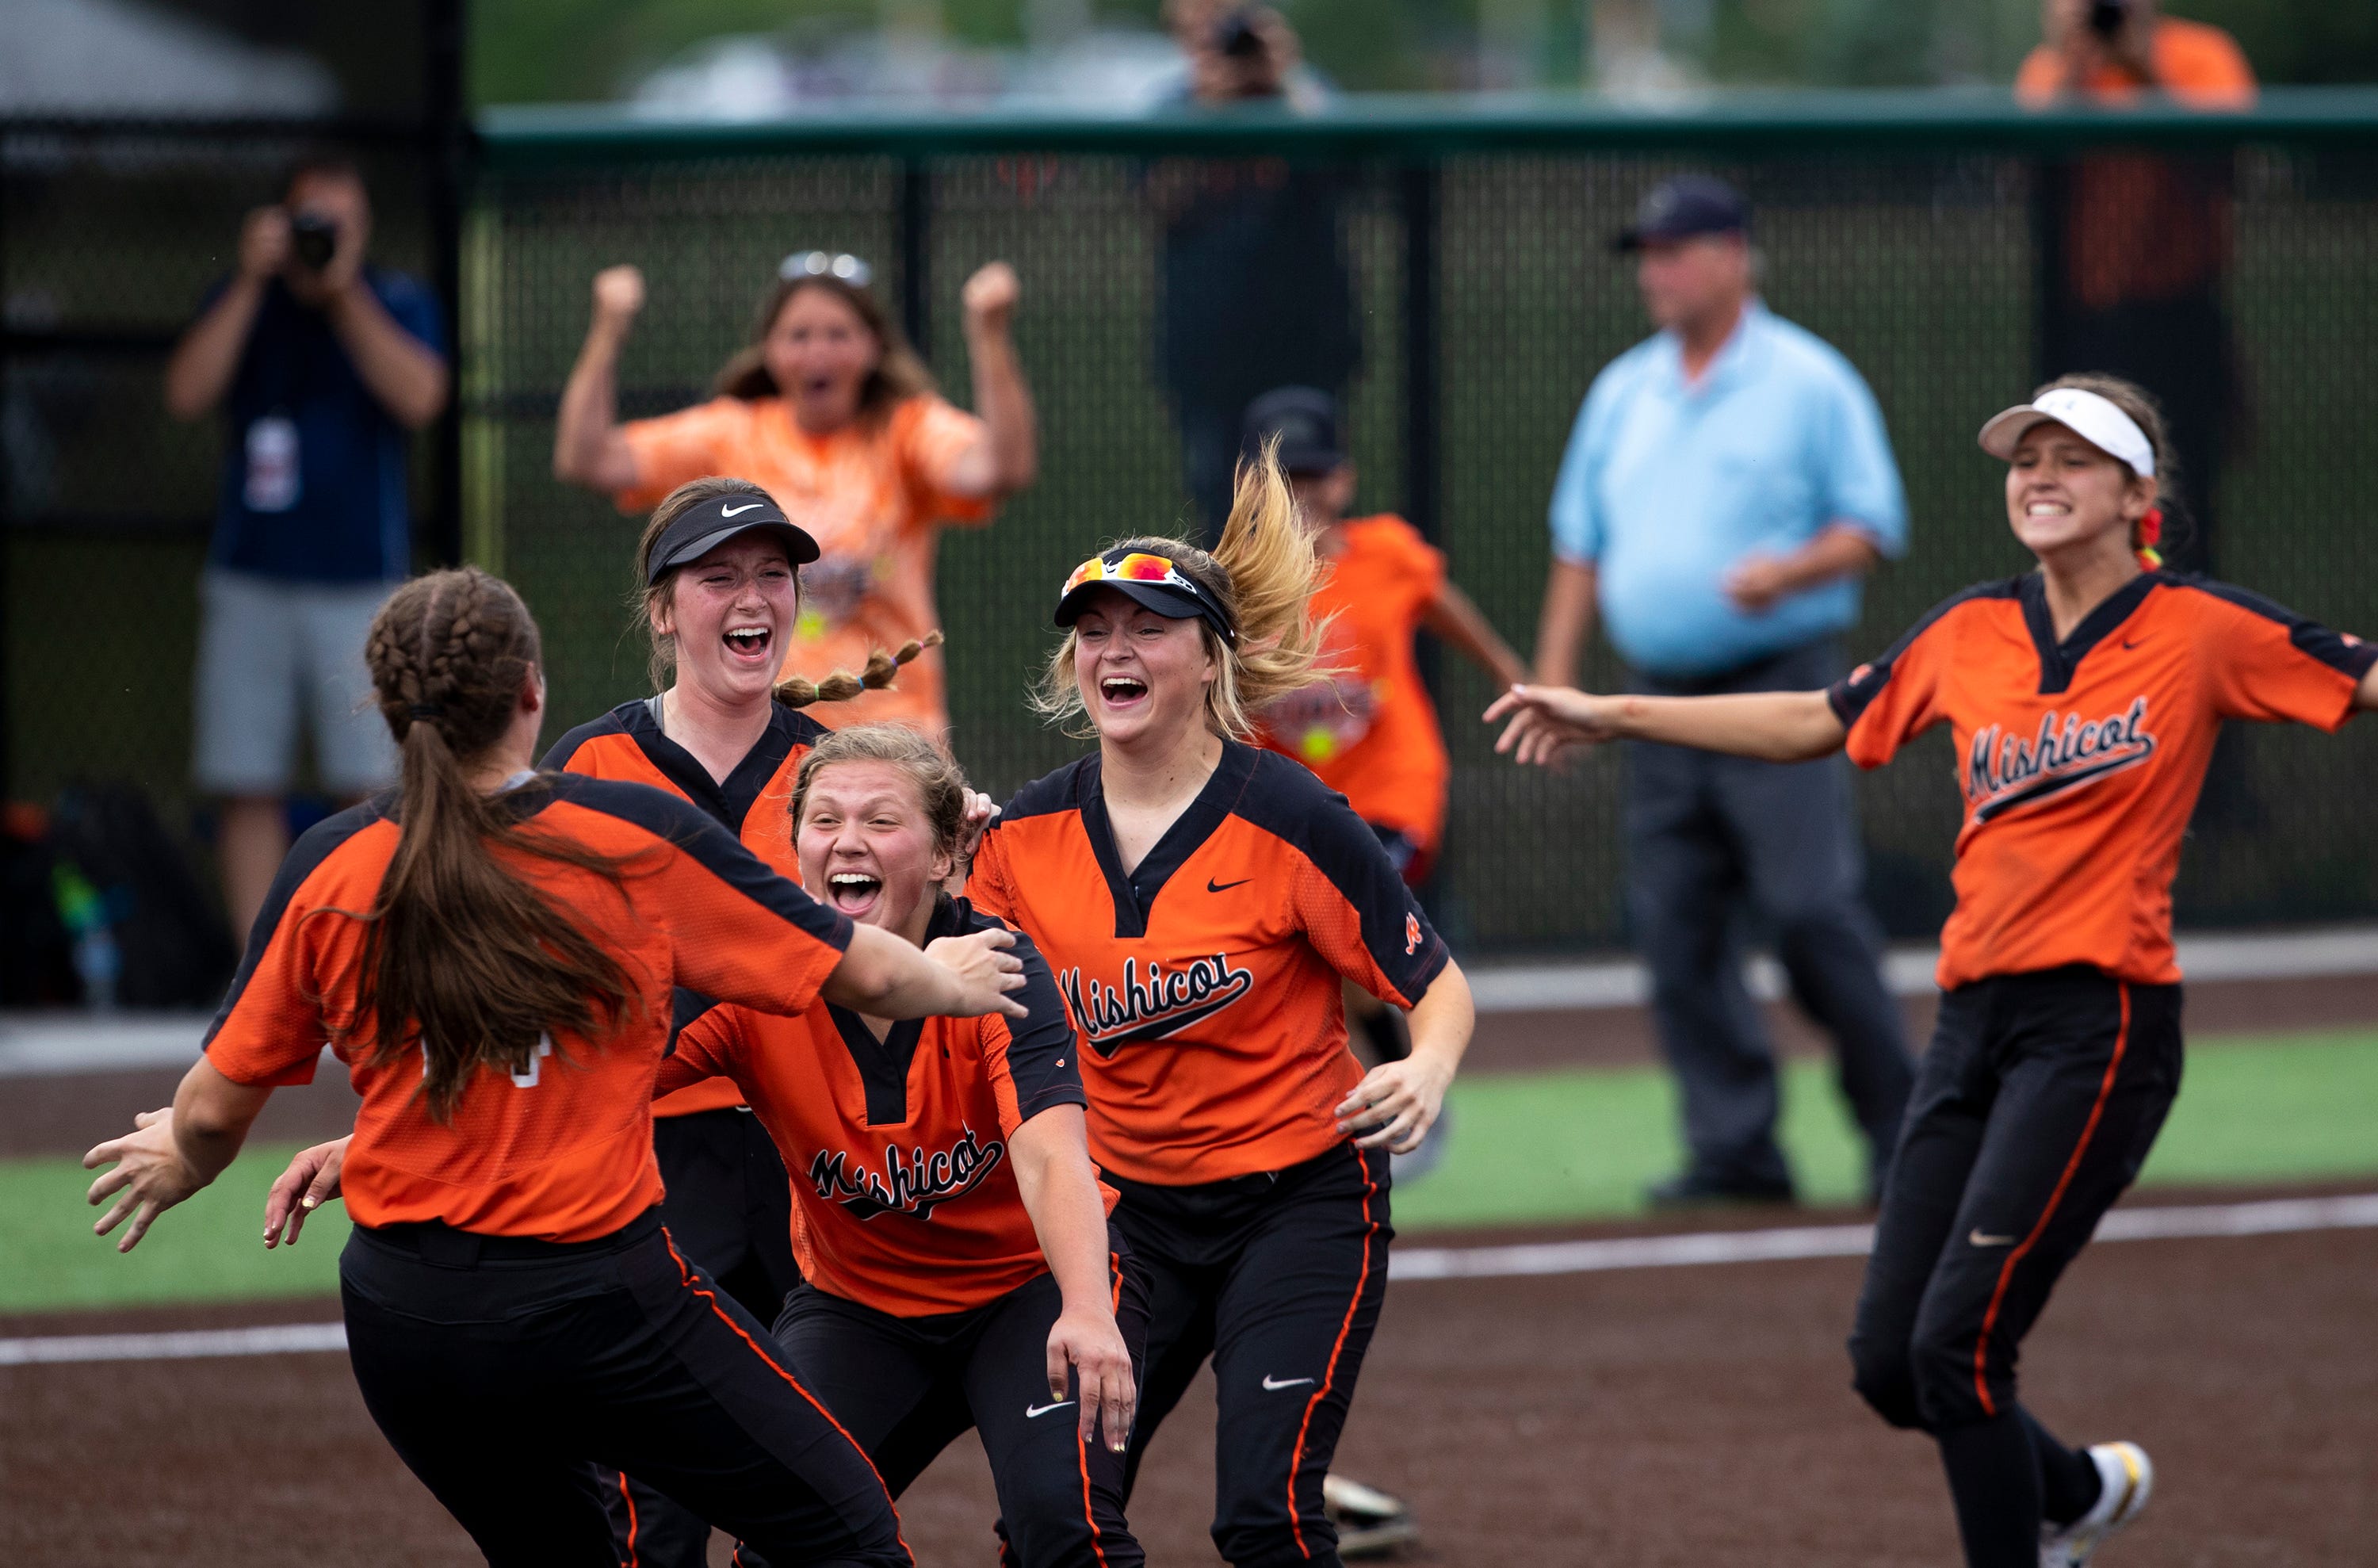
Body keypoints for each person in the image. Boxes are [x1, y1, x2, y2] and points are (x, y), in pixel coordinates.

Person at [1488, 374, 2378, 1568]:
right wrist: (1618, 712)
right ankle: (2069, 1488)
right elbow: (1818, 718)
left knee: (1958, 1350)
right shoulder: (1972, 631)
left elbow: (2360, 677)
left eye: (2075, 458)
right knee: (1891, 1362)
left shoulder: (2202, 628)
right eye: (2026, 459)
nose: (2042, 477)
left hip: (2099, 1027)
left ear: (2139, 495)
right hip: (1971, 1024)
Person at [80, 566, 1031, 1567]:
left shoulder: (330, 862)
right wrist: (945, 974)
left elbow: (213, 1109)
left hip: (408, 1324)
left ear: (391, 706)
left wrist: (183, 1156)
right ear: (532, 691)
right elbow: (862, 974)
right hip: (597, 1302)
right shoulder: (624, 837)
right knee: (846, 1529)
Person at [263, 724, 1146, 1568]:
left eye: (883, 821)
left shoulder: (996, 967)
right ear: (793, 849)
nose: (849, 842)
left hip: (1028, 1292)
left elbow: (1049, 1153)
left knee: (1062, 1526)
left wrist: (1085, 1306)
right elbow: (581, 1078)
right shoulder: (760, 988)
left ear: (949, 854)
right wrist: (371, 1140)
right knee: (784, 1538)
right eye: (825, 820)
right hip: (861, 1307)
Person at [966, 453, 1478, 1568]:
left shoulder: (1291, 812)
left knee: (1266, 1517)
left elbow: (1431, 983)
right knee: (1049, 1522)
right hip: (1128, 1220)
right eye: (1093, 631)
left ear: (1208, 658)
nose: (1116, 651)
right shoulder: (1017, 841)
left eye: (1148, 628)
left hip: (1298, 1202)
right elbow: (942, 989)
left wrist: (1426, 1070)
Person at [537, 475, 948, 1565]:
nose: (751, 595)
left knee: (820, 1484)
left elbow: (913, 944)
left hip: (813, 1156)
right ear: (665, 610)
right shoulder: (587, 770)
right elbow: (526, 981)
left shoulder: (833, 777)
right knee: (657, 1495)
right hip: (651, 1156)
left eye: (773, 573)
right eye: (719, 576)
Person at [1534, 173, 1916, 1208]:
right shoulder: (1627, 388)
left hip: (1778, 685)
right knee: (1677, 926)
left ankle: (1903, 1126)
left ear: (1735, 254)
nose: (1657, 271)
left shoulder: (1808, 379)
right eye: (1648, 253)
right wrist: (1558, 680)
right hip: (1655, 698)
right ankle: (1736, 1145)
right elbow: (1581, 546)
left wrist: (1786, 571)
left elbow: (1871, 525)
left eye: (1677, 250)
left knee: (1807, 911)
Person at [551, 250, 1036, 733]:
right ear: (769, 349)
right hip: (766, 731)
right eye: (799, 336)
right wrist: (607, 329)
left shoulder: (904, 430)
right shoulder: (733, 433)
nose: (817, 353)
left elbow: (1000, 467)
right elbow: (588, 458)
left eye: (838, 334)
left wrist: (989, 335)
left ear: (872, 347)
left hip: (894, 732)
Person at [1243, 386, 1526, 1188]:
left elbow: (1444, 607)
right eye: (1283, 478)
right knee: (1310, 957)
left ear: (1344, 480)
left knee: (1339, 938)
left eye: (1314, 475)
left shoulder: (1389, 554)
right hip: (1289, 810)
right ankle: (1390, 1081)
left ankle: (1401, 1092)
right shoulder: (1233, 586)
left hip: (1390, 795)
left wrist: (1508, 672)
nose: (1302, 494)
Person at [164, 151, 449, 936]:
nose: (323, 236)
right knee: (244, 776)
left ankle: (359, 959)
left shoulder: (393, 298)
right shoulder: (245, 298)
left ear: (364, 229)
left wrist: (343, 293)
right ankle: (260, 972)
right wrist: (255, 280)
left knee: (366, 780)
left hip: (359, 580)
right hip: (250, 574)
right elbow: (187, 392)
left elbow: (422, 396)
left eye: (339, 223)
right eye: (310, 222)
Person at [2017, 0, 2256, 577]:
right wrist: (2077, 69)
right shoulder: (2052, 70)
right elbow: (2025, 175)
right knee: (2073, 487)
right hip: (2083, 321)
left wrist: (2145, 68)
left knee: (2183, 499)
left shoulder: (2201, 57)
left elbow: (2229, 160)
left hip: (2179, 311)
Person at [1149, 1, 1358, 541]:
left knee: (1317, 518)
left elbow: (1349, 169)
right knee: (1223, 520)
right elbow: (1160, 203)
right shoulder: (1173, 109)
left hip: (1310, 345)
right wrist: (1209, 112)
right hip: (1210, 357)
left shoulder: (1308, 95)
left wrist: (1283, 79)